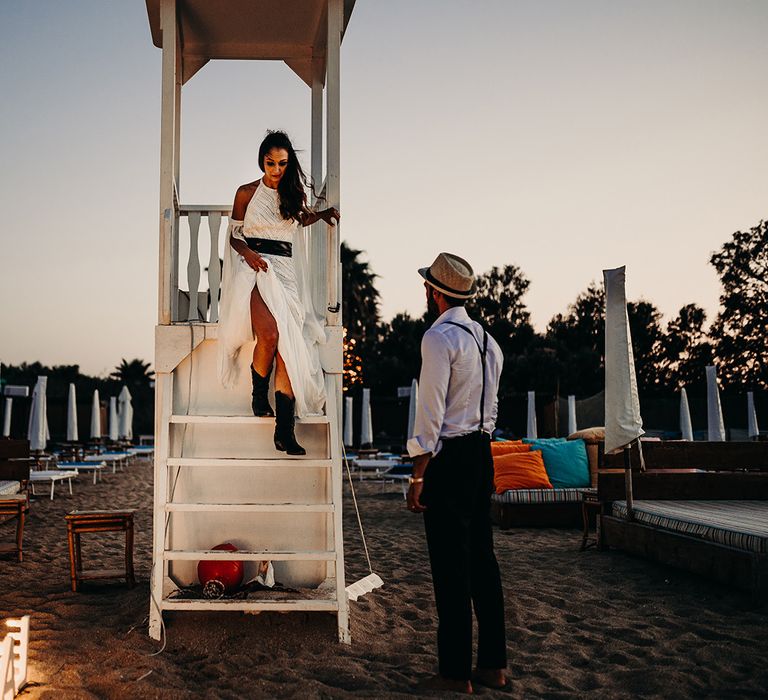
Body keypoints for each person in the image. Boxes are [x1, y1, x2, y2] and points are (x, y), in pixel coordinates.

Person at [406, 252, 509, 694]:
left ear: (434, 292)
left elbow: (430, 414)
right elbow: (492, 409)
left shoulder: (438, 338)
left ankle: (453, 673)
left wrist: (418, 474)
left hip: (450, 460)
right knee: (483, 561)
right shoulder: (489, 342)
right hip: (483, 454)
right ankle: (493, 666)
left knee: (451, 567)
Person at [217, 131, 339, 455]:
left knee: (288, 349)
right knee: (270, 335)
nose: (276, 170)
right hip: (254, 268)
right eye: (270, 163)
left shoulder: (292, 194)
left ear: (289, 163)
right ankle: (259, 394)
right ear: (262, 161)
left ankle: (285, 431)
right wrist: (248, 254)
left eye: (282, 163)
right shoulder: (246, 193)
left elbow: (301, 219)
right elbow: (234, 236)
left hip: (285, 272)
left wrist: (323, 215)